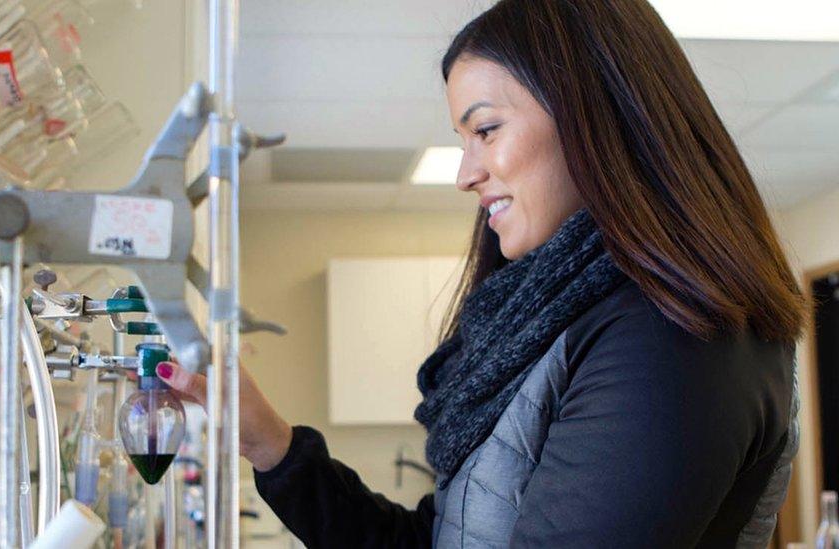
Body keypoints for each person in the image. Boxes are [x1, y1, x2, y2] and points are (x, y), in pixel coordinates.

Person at [154, 1, 806, 546]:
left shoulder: (669, 336)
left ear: (596, 112)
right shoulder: (565, 319)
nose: (465, 173)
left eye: (485, 129)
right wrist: (272, 443)